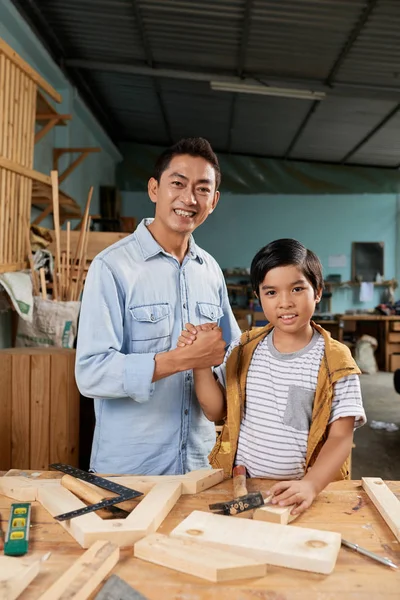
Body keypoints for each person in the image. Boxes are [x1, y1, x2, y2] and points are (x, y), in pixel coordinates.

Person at [75, 137, 241, 475]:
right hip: (130, 472)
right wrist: (180, 359)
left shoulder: (210, 270)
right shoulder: (112, 268)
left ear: (214, 201)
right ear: (154, 189)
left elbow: (231, 356)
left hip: (200, 467)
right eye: (177, 183)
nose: (188, 198)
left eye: (202, 189)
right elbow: (91, 374)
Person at [177, 239, 366, 515]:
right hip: (243, 484)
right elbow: (215, 410)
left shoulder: (336, 362)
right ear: (258, 296)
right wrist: (200, 362)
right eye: (271, 292)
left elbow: (341, 438)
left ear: (318, 292)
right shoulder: (243, 349)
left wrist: (311, 485)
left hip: (304, 491)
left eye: (297, 289)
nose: (285, 302)